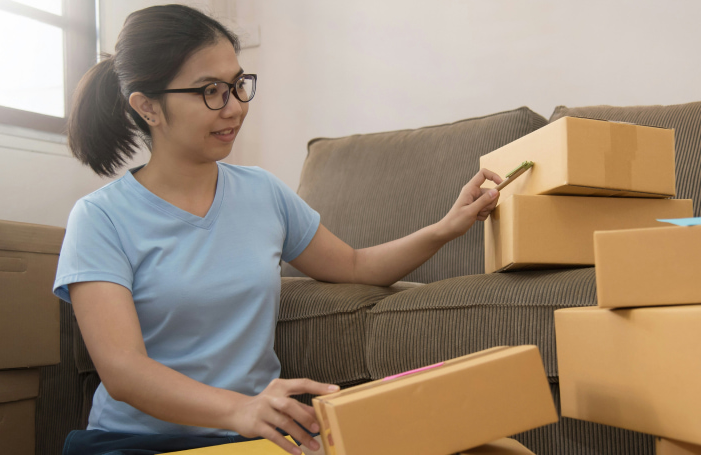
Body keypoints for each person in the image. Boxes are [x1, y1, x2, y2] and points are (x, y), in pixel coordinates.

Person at [54, 4, 502, 455]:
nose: (235, 107)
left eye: (237, 85)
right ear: (147, 106)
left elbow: (354, 265)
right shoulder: (100, 218)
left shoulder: (262, 193)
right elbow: (123, 369)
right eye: (211, 91)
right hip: (137, 443)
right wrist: (238, 409)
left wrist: (446, 227)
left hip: (246, 439)